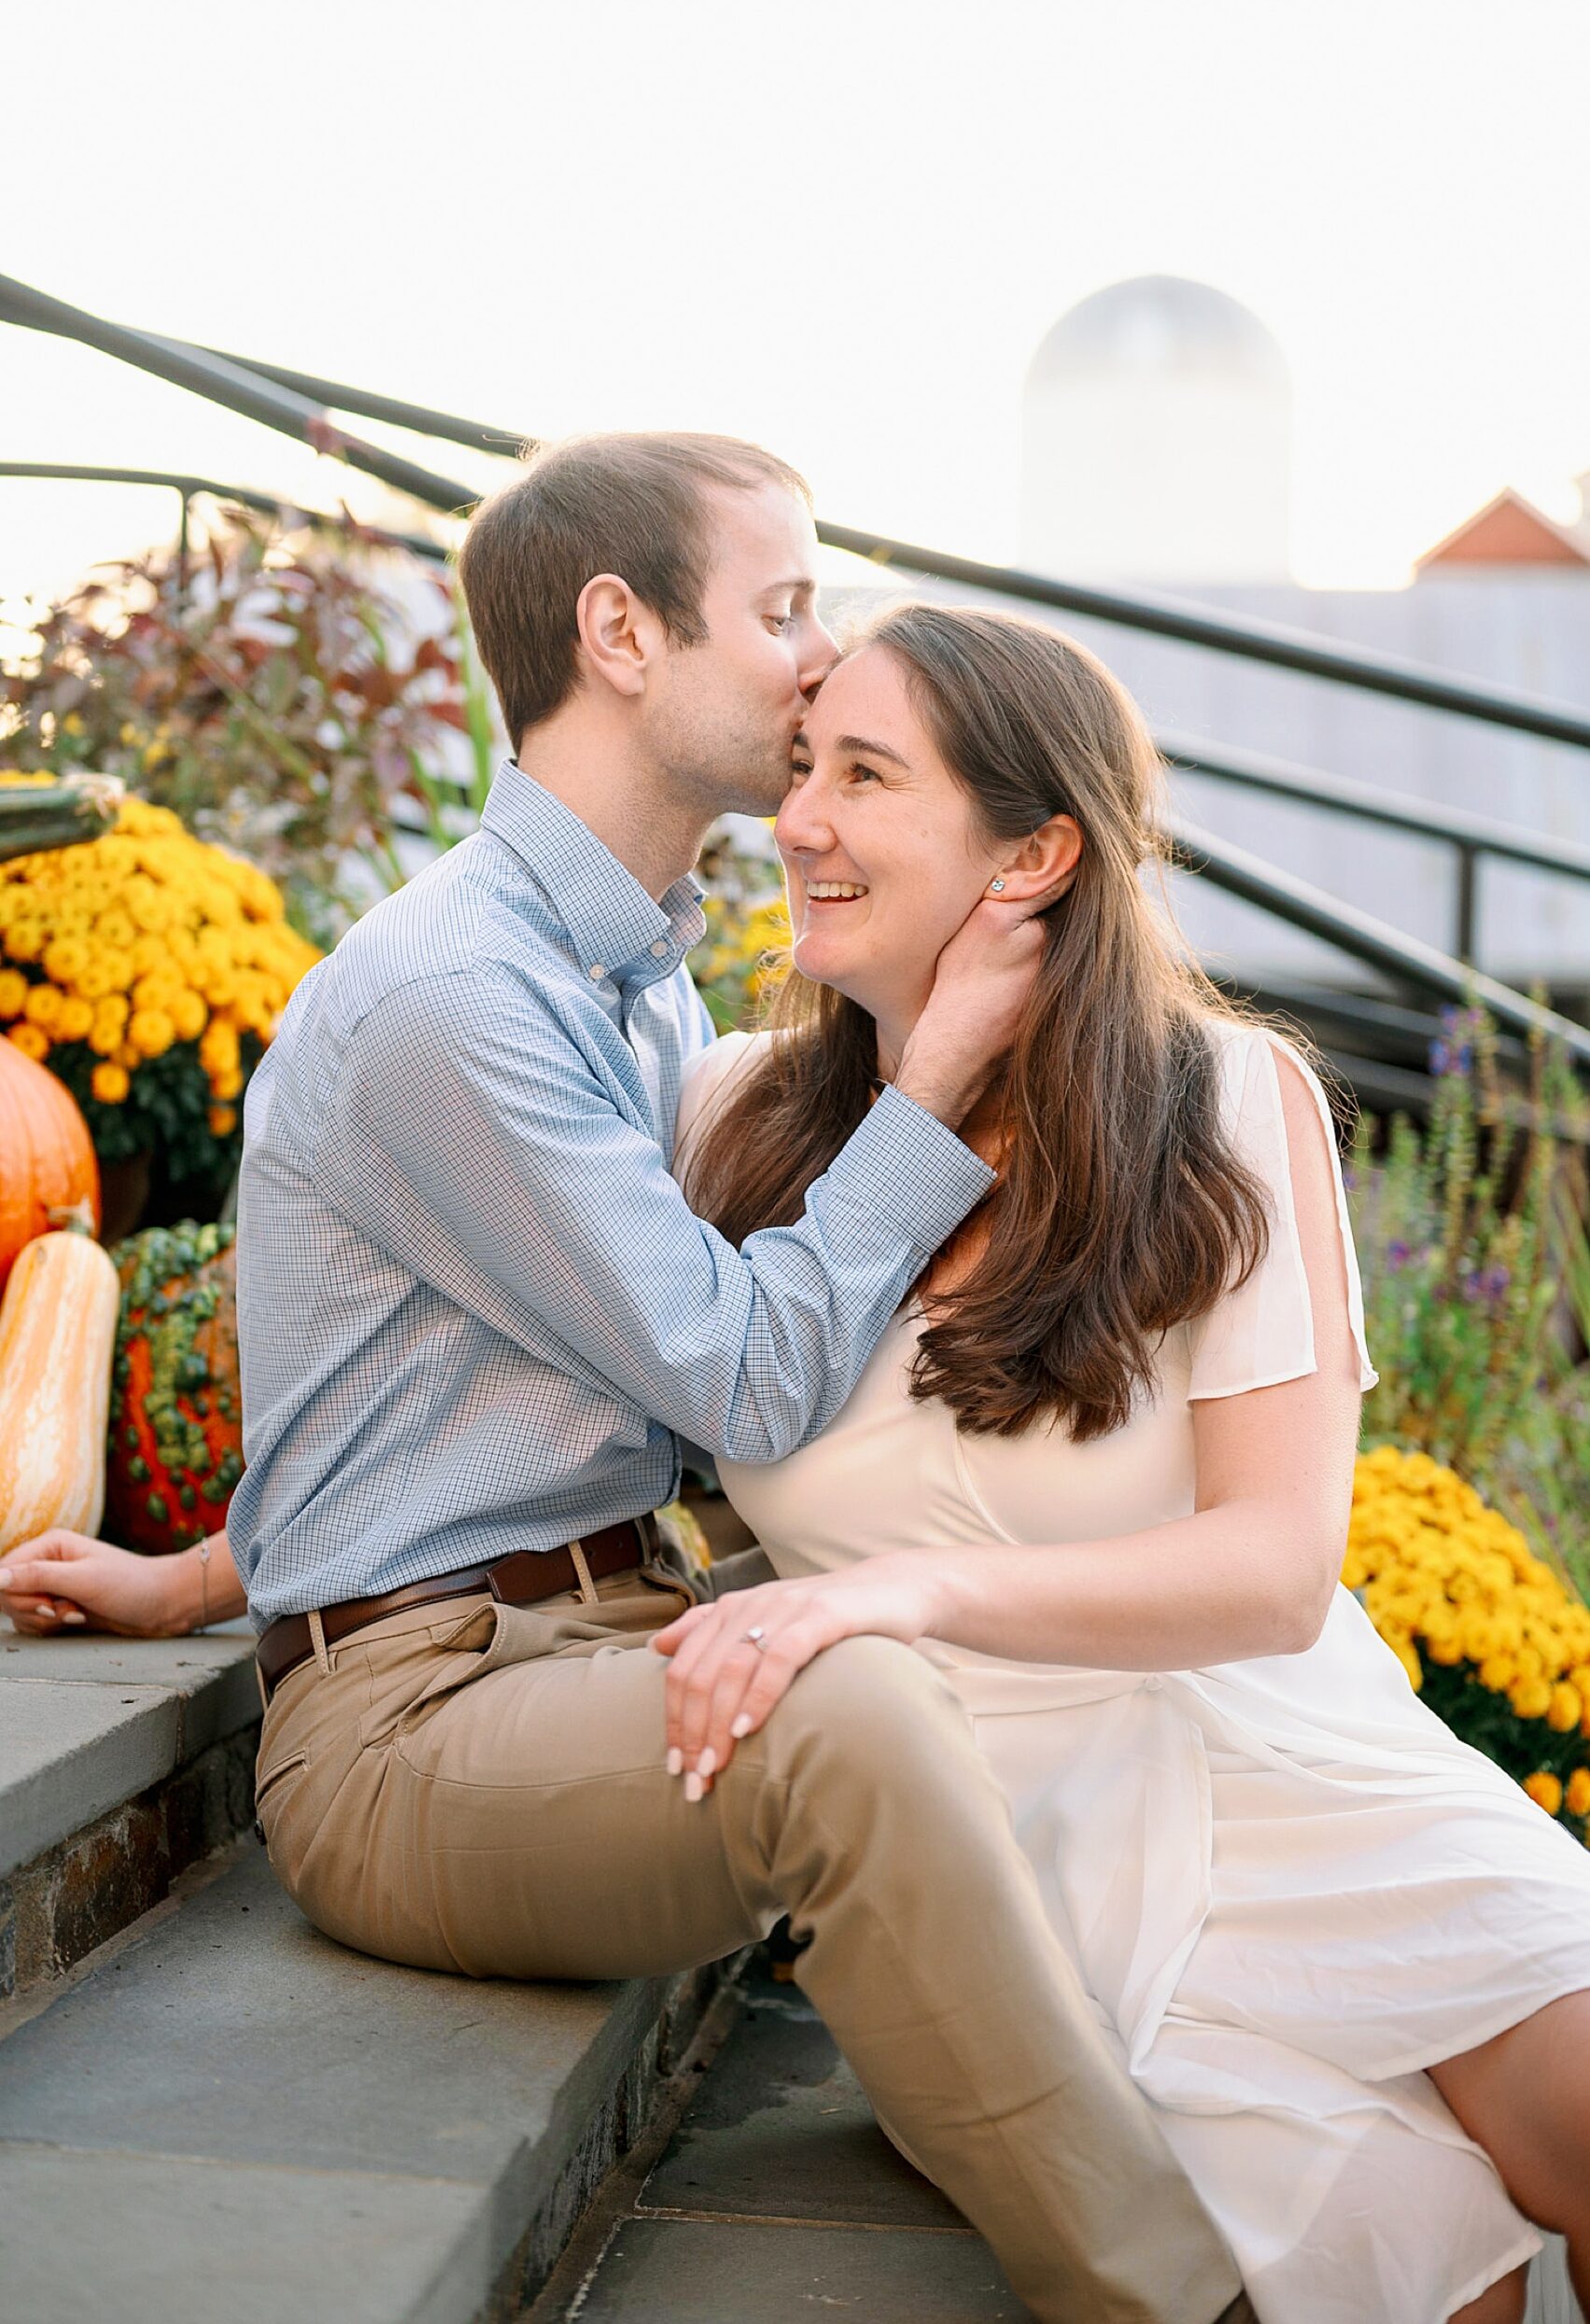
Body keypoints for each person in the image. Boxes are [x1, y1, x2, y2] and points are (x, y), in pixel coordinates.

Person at [0, 437, 1251, 2324]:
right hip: (411, 1734)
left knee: (1009, 1602)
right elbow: (739, 1375)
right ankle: (1188, 2299)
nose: (819, 661)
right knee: (854, 1711)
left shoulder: (638, 988)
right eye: (781, 608)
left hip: (603, 1636)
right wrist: (925, 1096)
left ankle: (1204, 2085)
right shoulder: (454, 998)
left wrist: (199, 1568)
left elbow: (439, 1392)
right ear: (621, 633)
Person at [660, 601, 1590, 2324]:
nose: (797, 820)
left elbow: (1271, 1569)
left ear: (1034, 853)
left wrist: (900, 1590)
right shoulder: (729, 1118)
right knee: (1418, 2259)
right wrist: (219, 1574)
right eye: (803, 767)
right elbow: (534, 1422)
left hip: (1292, 1763)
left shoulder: (1224, 1100)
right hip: (997, 1852)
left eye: (864, 775)